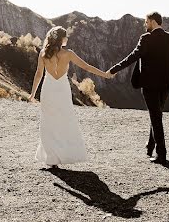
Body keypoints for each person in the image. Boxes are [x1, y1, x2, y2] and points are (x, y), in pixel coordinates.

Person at [29, 26, 113, 167]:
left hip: (48, 90)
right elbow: (86, 67)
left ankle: (51, 158)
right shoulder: (68, 53)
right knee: (64, 121)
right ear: (61, 39)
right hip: (62, 91)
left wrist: (32, 93)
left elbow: (38, 74)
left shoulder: (43, 53)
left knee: (48, 122)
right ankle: (63, 154)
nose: (67, 39)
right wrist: (104, 74)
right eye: (65, 36)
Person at [108, 11, 169, 163]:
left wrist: (114, 69)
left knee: (155, 116)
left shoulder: (146, 38)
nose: (145, 25)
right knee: (156, 113)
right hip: (167, 84)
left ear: (153, 21)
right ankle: (150, 146)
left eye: (146, 22)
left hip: (149, 84)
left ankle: (161, 154)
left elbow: (133, 56)